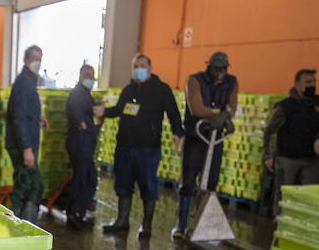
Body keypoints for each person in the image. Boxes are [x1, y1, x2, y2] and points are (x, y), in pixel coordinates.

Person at [103, 55, 183, 236]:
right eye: (135, 66)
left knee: (148, 186)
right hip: (124, 147)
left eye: (142, 66)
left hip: (147, 148)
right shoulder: (128, 90)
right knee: (123, 184)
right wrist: (103, 112)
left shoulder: (161, 90)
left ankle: (146, 226)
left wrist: (177, 132)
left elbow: (173, 112)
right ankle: (122, 220)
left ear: (150, 68)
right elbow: (117, 110)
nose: (138, 69)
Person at [175, 52, 238, 238]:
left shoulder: (232, 82)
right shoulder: (194, 80)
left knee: (211, 182)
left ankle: (201, 223)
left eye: (224, 69)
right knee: (188, 181)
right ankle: (181, 225)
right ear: (209, 67)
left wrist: (224, 117)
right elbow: (197, 108)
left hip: (215, 138)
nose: (221, 72)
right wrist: (219, 115)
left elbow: (232, 107)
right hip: (196, 136)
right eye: (217, 68)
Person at [264, 69, 319, 213]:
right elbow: (269, 131)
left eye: (314, 82)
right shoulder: (284, 106)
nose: (313, 85)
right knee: (283, 194)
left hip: (313, 159)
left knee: (309, 197)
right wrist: (268, 156)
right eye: (308, 82)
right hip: (288, 158)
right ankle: (279, 225)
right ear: (297, 85)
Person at [5, 45, 48, 223]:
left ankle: (21, 225)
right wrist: (26, 148)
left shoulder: (29, 80)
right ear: (26, 61)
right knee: (31, 186)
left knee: (27, 186)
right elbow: (18, 118)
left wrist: (38, 115)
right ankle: (20, 226)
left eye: (40, 58)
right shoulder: (24, 83)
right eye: (34, 59)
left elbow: (24, 109)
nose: (37, 62)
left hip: (24, 143)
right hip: (22, 145)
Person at [63, 64, 105, 230]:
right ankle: (73, 213)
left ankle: (78, 212)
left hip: (86, 143)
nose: (91, 78)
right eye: (87, 75)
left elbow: (90, 116)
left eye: (92, 75)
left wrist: (98, 119)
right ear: (80, 76)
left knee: (89, 179)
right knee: (82, 179)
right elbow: (75, 111)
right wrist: (81, 123)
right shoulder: (77, 93)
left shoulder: (87, 95)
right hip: (79, 142)